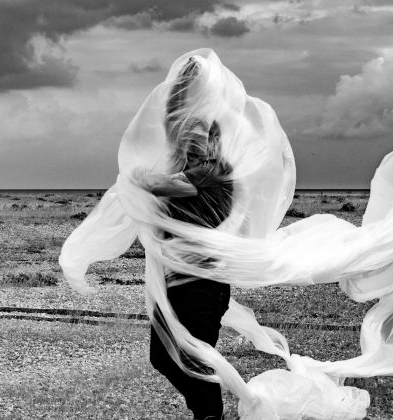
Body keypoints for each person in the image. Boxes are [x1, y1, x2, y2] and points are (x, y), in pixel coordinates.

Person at [136, 57, 233, 420]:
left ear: (213, 141)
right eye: (186, 138)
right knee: (162, 358)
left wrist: (137, 176)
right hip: (176, 282)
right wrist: (181, 85)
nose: (190, 142)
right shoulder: (189, 167)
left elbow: (157, 184)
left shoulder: (216, 171)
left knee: (194, 360)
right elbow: (171, 120)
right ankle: (206, 413)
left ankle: (210, 416)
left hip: (203, 285)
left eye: (198, 137)